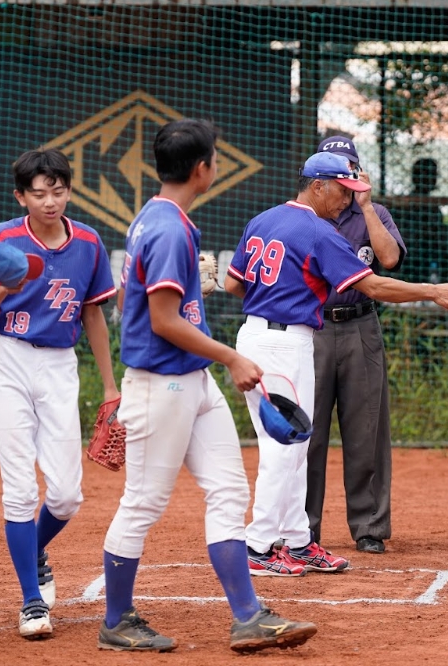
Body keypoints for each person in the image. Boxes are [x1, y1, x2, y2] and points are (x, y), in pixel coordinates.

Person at [99, 119, 317, 653]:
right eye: (214, 157)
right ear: (203, 169)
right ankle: (116, 620)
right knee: (144, 502)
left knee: (229, 489)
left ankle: (248, 616)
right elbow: (163, 319)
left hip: (190, 380)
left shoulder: (159, 216)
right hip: (160, 383)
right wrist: (232, 358)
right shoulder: (169, 228)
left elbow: (149, 306)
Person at [228, 151, 448, 570]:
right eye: (342, 190)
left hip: (260, 335)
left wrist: (275, 300)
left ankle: (298, 541)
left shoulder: (263, 219)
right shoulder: (319, 231)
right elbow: (373, 286)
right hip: (284, 344)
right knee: (283, 448)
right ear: (317, 186)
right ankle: (258, 546)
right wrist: (432, 290)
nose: (347, 200)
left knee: (297, 443)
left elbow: (232, 282)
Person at [0, 148, 118, 639]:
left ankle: (33, 548)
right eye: (39, 193)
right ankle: (32, 602)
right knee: (20, 489)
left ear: (68, 190)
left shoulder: (90, 243)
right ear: (21, 196)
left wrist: (111, 387)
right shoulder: (4, 238)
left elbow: (93, 314)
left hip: (58, 365)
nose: (50, 201)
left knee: (68, 495)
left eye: (58, 190)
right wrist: (8, 287)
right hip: (8, 359)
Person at [303, 136, 406, 555]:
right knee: (308, 434)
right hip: (311, 330)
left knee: (367, 429)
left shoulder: (372, 213)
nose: (345, 183)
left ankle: (369, 526)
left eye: (351, 172)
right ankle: (302, 527)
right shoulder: (304, 216)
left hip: (360, 327)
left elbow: (390, 260)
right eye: (337, 174)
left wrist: (365, 206)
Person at [394, 157, 444, 283]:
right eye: (427, 174)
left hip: (425, 257)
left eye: (433, 174)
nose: (431, 179)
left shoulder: (433, 208)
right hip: (407, 256)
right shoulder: (403, 205)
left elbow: (436, 238)